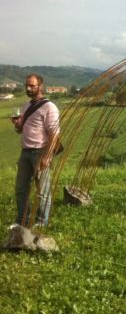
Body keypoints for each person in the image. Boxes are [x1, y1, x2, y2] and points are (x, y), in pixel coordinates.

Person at [10, 74, 60, 227]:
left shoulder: (49, 107)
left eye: (32, 85)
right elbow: (21, 131)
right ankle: (22, 221)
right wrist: (18, 125)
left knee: (43, 191)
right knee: (21, 189)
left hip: (40, 152)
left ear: (40, 86)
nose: (28, 88)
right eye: (27, 85)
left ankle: (42, 222)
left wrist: (47, 156)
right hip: (25, 152)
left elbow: (55, 133)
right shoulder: (25, 106)